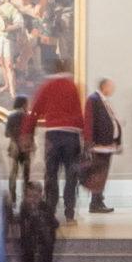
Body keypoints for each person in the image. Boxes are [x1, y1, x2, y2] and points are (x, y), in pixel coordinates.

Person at [26, 61, 88, 225]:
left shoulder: (47, 86)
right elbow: (78, 113)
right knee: (71, 176)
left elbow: (35, 111)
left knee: (51, 175)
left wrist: (28, 133)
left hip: (53, 135)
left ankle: (50, 213)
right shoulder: (72, 86)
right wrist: (86, 137)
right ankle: (69, 214)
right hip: (72, 136)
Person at [82, 79, 123, 213]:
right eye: (111, 86)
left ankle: (99, 200)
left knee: (102, 173)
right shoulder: (93, 99)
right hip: (99, 144)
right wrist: (88, 141)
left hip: (107, 144)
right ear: (104, 86)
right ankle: (95, 203)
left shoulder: (103, 100)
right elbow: (88, 120)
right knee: (98, 174)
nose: (113, 89)